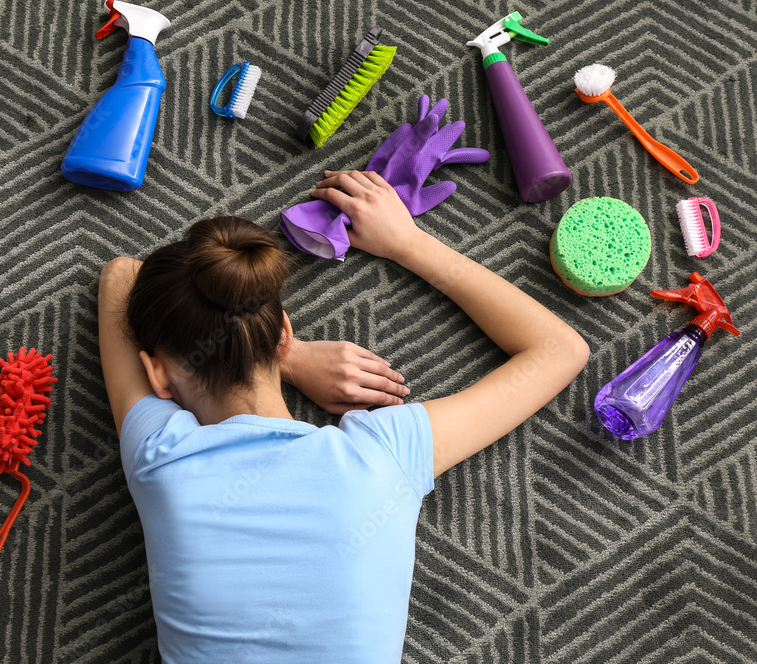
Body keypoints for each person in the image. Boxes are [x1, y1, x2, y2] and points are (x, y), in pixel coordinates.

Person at [97, 170, 589, 662]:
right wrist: (408, 244)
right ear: (284, 332)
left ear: (157, 374)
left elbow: (120, 275)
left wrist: (286, 357)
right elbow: (560, 349)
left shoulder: (159, 457)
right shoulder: (383, 455)